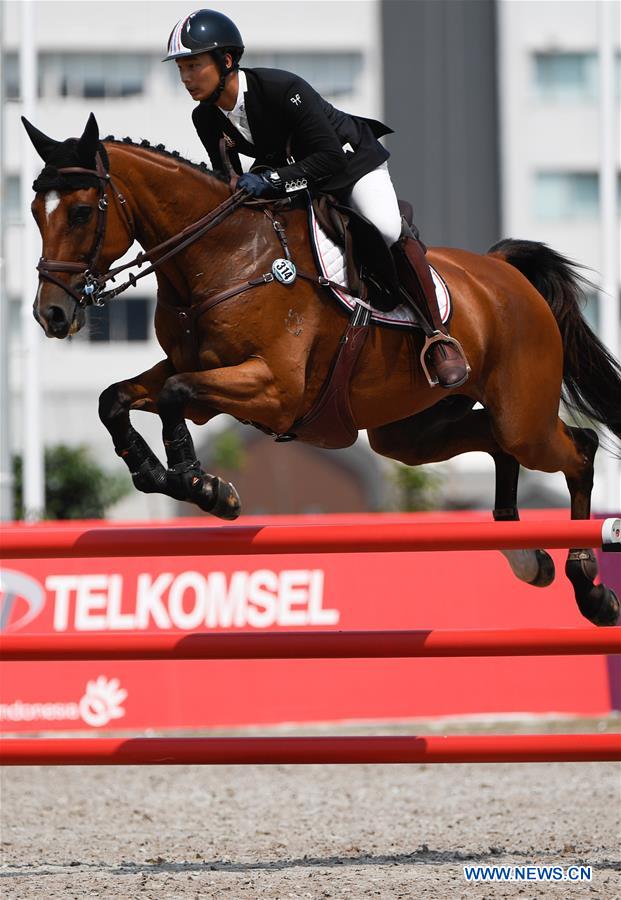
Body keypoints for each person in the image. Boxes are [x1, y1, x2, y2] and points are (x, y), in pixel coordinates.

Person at [164, 8, 468, 388]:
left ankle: (438, 336)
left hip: (350, 164)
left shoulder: (281, 89)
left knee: (387, 229)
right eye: (181, 69)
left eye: (193, 66)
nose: (186, 78)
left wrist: (271, 179)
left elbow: (327, 158)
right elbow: (229, 177)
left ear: (226, 61)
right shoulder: (205, 118)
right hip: (300, 177)